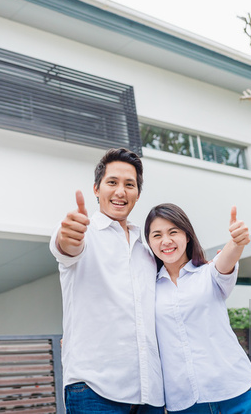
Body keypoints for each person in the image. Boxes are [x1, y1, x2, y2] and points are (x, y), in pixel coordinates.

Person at [49, 148, 163, 413]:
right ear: (96, 189)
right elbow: (66, 245)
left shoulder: (146, 252)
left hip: (151, 395)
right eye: (112, 182)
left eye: (129, 185)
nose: (120, 192)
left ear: (137, 194)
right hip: (94, 391)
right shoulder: (84, 234)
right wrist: (69, 236)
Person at [144, 203, 251, 414]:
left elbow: (227, 259)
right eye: (157, 235)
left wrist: (237, 242)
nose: (166, 241)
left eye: (173, 232)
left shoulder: (209, 274)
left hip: (238, 394)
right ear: (149, 242)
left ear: (187, 236)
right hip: (185, 404)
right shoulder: (149, 291)